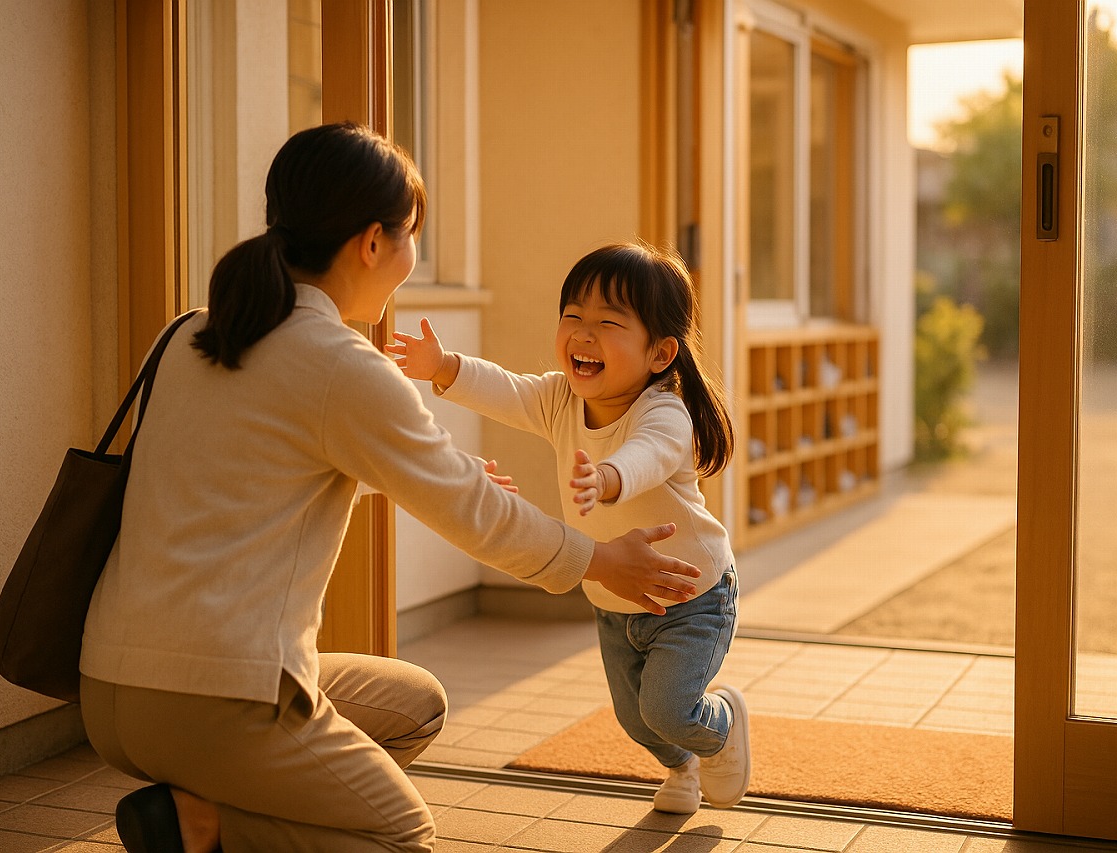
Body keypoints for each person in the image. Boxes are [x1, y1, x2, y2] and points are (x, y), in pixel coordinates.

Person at [78, 123, 702, 853]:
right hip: (217, 697)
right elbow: (475, 517)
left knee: (413, 706)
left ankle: (200, 809)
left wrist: (439, 479)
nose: (413, 257)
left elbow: (244, 471)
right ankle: (206, 823)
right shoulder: (341, 365)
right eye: (412, 237)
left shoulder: (186, 331)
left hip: (107, 686)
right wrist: (601, 559)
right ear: (373, 243)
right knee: (399, 833)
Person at [387, 242, 751, 815]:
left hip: (693, 593)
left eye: (608, 323)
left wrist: (607, 478)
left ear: (660, 353)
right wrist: (442, 368)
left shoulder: (664, 410)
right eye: (572, 316)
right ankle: (682, 768)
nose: (582, 334)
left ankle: (721, 728)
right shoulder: (559, 400)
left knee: (668, 709)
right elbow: (503, 388)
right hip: (613, 598)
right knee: (635, 718)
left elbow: (649, 455)